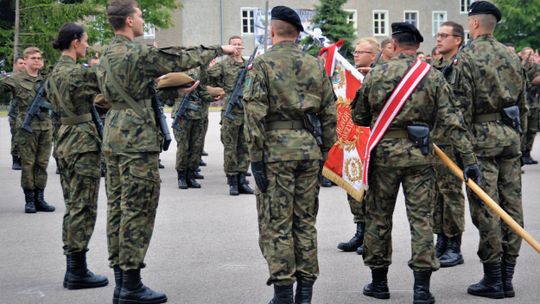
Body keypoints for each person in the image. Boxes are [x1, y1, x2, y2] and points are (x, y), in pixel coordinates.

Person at [96, 1, 240, 303]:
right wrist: (220, 49)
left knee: (119, 207)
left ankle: (122, 280)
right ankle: (131, 285)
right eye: (139, 15)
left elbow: (135, 88)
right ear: (129, 20)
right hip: (136, 138)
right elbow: (179, 56)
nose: (142, 18)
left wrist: (172, 91)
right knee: (138, 208)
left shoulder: (107, 53)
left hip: (114, 134)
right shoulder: (135, 52)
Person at [351, 22, 480, 304]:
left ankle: (379, 284)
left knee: (378, 218)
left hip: (383, 156)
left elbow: (358, 117)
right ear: (417, 47)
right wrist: (469, 160)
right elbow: (452, 121)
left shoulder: (377, 74)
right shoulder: (431, 76)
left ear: (394, 45)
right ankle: (422, 289)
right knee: (422, 220)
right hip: (421, 155)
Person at [243, 6, 336, 304]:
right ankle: (305, 293)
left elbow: (253, 114)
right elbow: (330, 113)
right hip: (308, 150)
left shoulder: (263, 65)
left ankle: (283, 293)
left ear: (273, 32)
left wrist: (255, 157)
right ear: (297, 33)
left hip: (275, 153)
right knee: (305, 222)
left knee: (277, 224)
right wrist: (324, 153)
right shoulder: (315, 65)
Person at [455, 1, 527, 299]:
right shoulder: (511, 56)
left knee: (488, 209)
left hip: (480, 140)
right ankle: (507, 276)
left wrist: (464, 153)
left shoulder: (467, 56)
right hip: (509, 138)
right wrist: (519, 141)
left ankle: (494, 278)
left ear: (473, 24)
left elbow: (460, 109)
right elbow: (522, 105)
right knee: (511, 206)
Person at [45, 22, 109, 290]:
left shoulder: (53, 74)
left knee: (73, 205)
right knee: (83, 206)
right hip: (82, 141)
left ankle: (75, 266)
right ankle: (76, 271)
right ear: (74, 42)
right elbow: (108, 90)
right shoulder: (77, 74)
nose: (87, 45)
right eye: (85, 40)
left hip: (63, 139)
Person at [337, 37, 380, 256]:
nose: (355, 55)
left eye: (360, 52)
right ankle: (360, 229)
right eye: (354, 52)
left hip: (374, 140)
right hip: (353, 139)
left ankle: (372, 236)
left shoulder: (381, 75)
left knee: (372, 189)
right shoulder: (350, 76)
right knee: (353, 184)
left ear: (373, 56)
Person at [0, 47, 56, 214]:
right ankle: (29, 199)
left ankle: (40, 197)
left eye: (39, 58)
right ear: (25, 61)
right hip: (26, 126)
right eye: (33, 58)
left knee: (42, 163)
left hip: (45, 125)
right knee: (28, 163)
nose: (37, 60)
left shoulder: (46, 80)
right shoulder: (15, 79)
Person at [432, 20, 467, 268]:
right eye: (438, 35)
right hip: (435, 140)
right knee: (437, 193)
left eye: (444, 35)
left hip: (453, 140)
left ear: (458, 40)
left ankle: (454, 244)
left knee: (452, 192)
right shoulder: (436, 66)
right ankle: (441, 239)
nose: (439, 39)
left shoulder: (462, 67)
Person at [207, 36, 254, 196]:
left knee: (245, 147)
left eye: (240, 44)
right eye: (234, 44)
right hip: (231, 112)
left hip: (247, 112)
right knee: (230, 148)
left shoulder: (249, 66)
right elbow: (206, 77)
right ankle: (232, 180)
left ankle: (242, 179)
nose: (237, 47)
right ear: (229, 47)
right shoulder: (223, 65)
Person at [519, 47, 540, 165]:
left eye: (532, 55)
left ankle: (528, 153)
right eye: (528, 54)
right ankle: (521, 154)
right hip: (524, 104)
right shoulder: (520, 67)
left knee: (532, 130)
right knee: (523, 130)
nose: (531, 57)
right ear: (522, 55)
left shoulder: (536, 67)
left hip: (534, 103)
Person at [7, 56, 26, 170]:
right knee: (16, 136)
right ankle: (15, 159)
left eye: (24, 63)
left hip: (27, 112)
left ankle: (24, 159)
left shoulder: (29, 77)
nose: (23, 65)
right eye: (20, 63)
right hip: (15, 112)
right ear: (15, 65)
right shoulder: (11, 78)